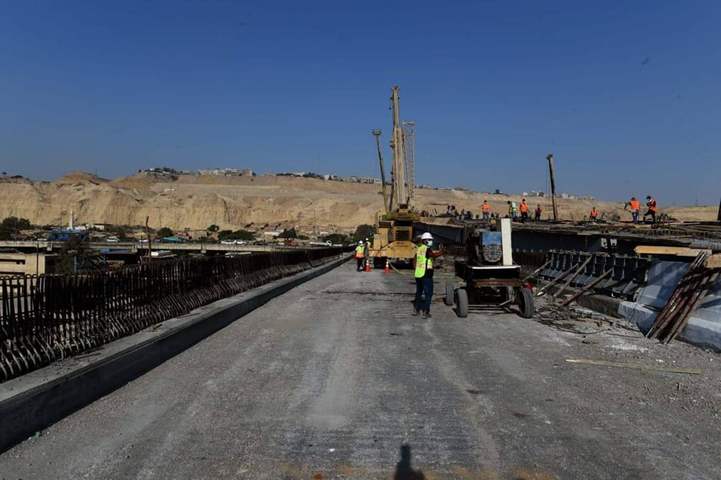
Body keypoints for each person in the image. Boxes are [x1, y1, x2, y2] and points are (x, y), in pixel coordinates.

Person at [413, 232, 442, 318]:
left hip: (418, 274)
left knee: (419, 293)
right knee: (428, 293)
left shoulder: (419, 249)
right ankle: (426, 312)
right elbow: (433, 255)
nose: (431, 241)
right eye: (429, 240)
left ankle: (416, 310)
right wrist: (442, 252)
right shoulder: (427, 249)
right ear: (424, 241)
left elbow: (414, 260)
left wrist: (416, 268)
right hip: (426, 275)